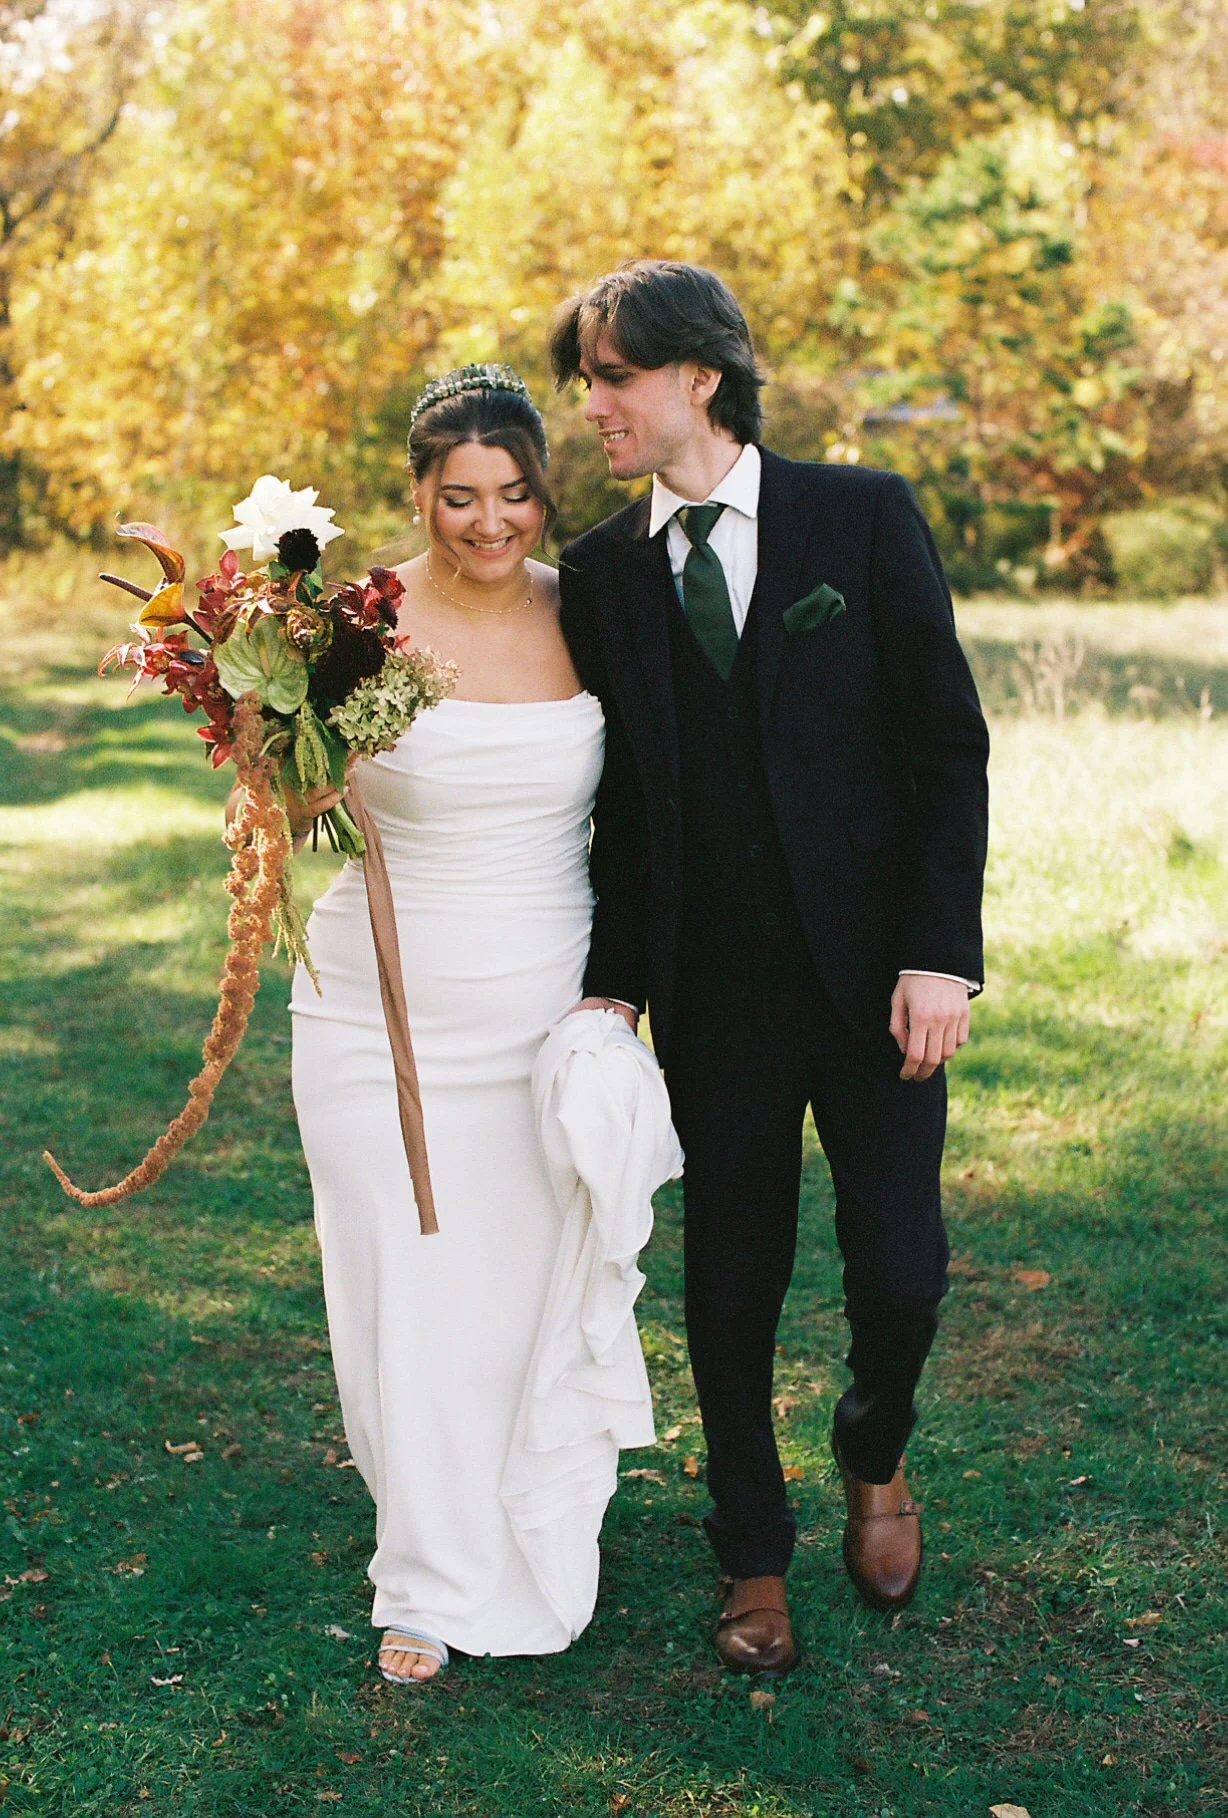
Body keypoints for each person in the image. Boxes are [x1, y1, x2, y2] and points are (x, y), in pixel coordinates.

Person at [551, 262, 991, 1679]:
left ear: (702, 377)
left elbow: (947, 747)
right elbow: (622, 803)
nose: (595, 404)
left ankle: (875, 1446)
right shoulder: (603, 572)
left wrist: (940, 955)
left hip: (879, 988)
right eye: (589, 380)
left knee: (904, 1272)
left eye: (615, 377)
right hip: (717, 996)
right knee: (731, 1284)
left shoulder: (862, 517)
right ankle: (752, 1548)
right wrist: (615, 986)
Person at [288, 365, 663, 1687]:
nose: (490, 522)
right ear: (420, 494)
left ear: (542, 493)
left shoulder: (591, 610)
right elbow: (297, 811)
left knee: (513, 1295)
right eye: (460, 497)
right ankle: (425, 1574)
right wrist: (284, 760)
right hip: (373, 1011)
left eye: (513, 494)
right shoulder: (356, 624)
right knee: (401, 1291)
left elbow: (653, 801)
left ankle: (528, 1521)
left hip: (542, 1001)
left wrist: (625, 988)